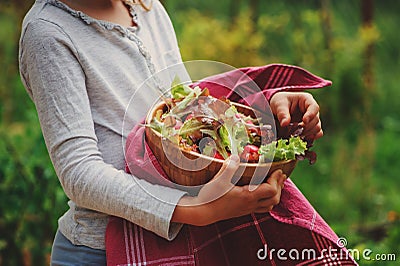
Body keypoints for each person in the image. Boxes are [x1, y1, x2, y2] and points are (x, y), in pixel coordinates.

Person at [19, 0, 356, 265]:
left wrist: (264, 109)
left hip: (181, 243)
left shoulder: (146, 7)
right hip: (101, 252)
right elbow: (80, 174)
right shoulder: (48, 32)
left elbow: (184, 109)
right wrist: (197, 210)